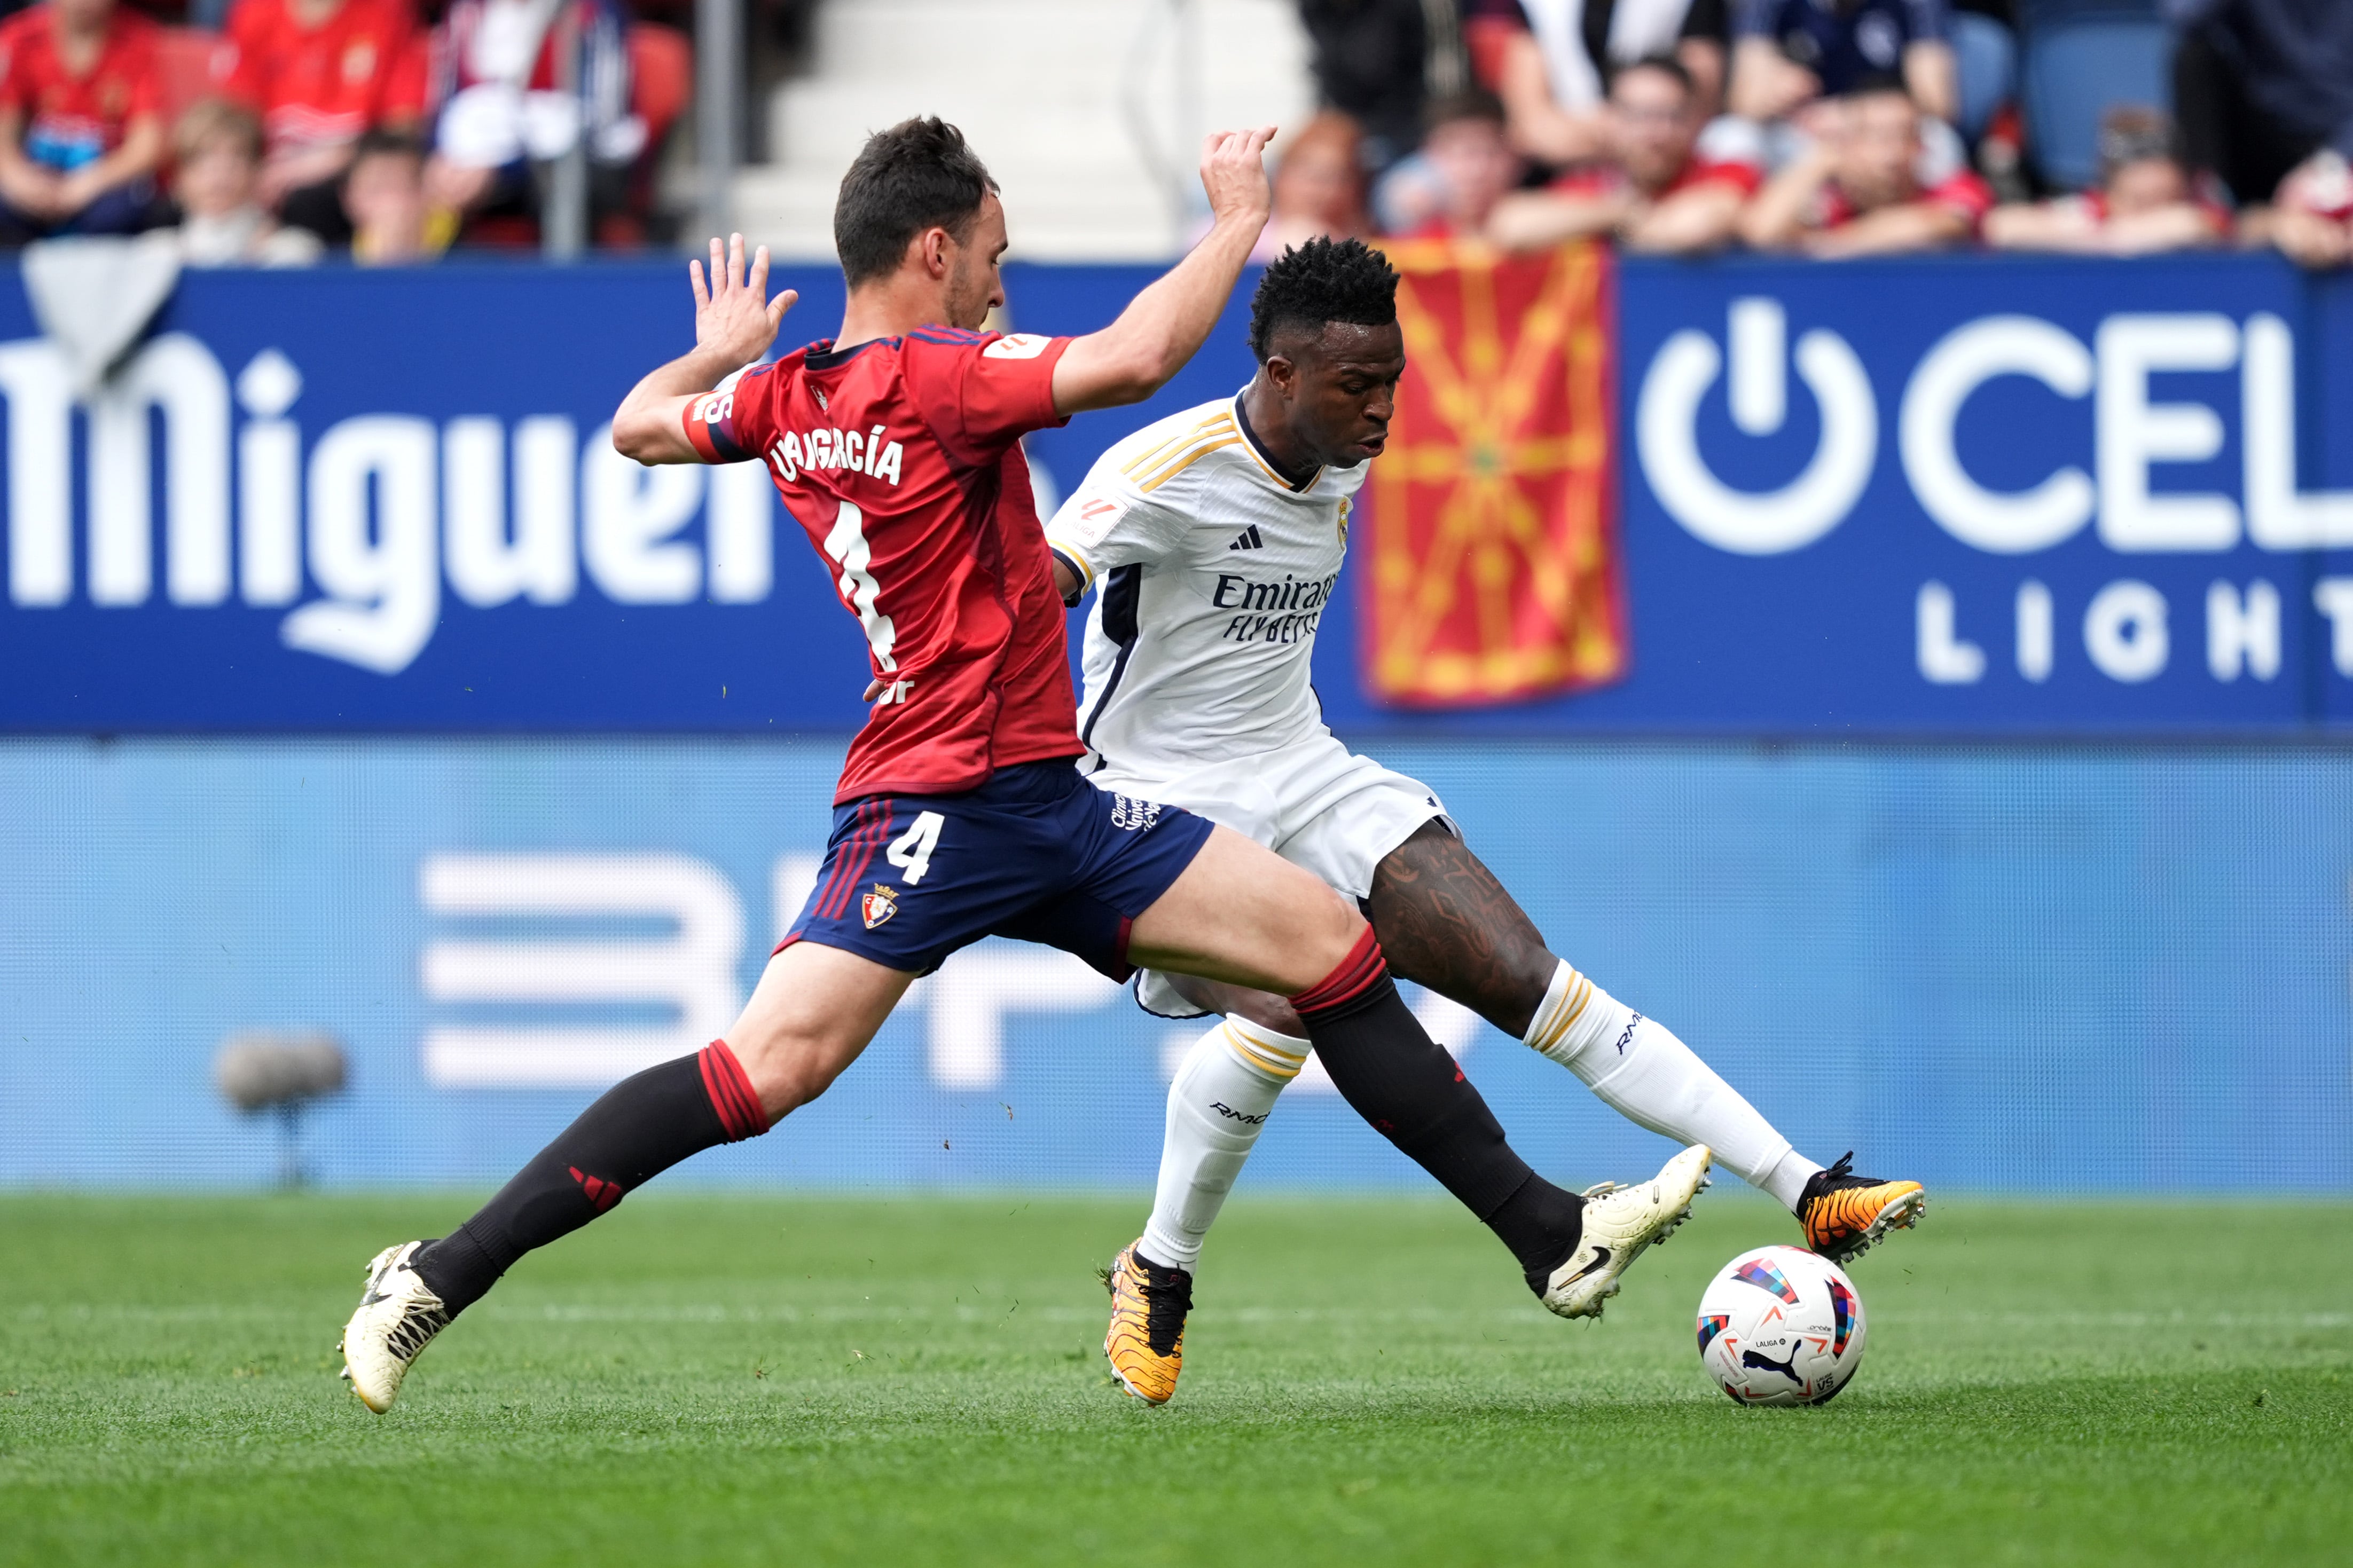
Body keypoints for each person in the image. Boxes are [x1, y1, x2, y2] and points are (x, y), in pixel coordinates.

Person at [338, 117, 1711, 1415]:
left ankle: (1549, 1232)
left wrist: (715, 354)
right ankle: (437, 1271)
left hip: (1050, 792)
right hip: (936, 802)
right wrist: (1237, 222)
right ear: (932, 249)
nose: (1002, 280)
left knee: (1326, 948)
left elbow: (638, 425)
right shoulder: (936, 379)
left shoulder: (787, 393)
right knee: (765, 1072)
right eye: (992, 251)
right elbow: (1126, 361)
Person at [1041, 235, 1927, 1406]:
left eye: (1393, 382)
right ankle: (1160, 1268)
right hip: (1158, 801)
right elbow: (1037, 578)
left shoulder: (1340, 454)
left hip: (1305, 770)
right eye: (1355, 386)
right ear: (1277, 371)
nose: (1382, 411)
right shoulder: (1163, 467)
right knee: (1291, 1004)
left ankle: (1809, 1185)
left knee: (1522, 973)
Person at [1487, 53, 1756, 253]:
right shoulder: (1597, 183)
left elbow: (1696, 226)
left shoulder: (1724, 171)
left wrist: (1605, 223)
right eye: (1639, 116)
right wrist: (1620, 214)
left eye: (1671, 116)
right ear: (1610, 119)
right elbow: (1510, 226)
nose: (1656, 133)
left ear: (1696, 120)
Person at [222, 0, 427, 243]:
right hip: (270, 172)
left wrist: (333, 161)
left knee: (311, 203)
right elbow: (235, 121)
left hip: (354, 172)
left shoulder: (389, 13)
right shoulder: (254, 13)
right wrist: (252, 173)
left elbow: (402, 126)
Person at [1740, 74, 1989, 256]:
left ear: (1921, 145)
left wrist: (1827, 244)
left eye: (1905, 136)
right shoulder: (1826, 205)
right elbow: (1761, 233)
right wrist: (1821, 160)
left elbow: (1931, 226)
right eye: (1878, 137)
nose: (1893, 152)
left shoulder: (1954, 187)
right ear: (1847, 143)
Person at [1464, 0, 1729, 170]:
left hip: (1671, 175)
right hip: (1564, 173)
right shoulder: (1538, 6)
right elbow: (1530, 125)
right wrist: (1628, 131)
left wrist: (1641, 137)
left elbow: (1697, 108)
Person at [2172, 0, 2353, 218]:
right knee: (2195, 56)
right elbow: (2185, 17)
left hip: (2340, 144)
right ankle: (2210, 202)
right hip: (2266, 136)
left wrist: (2331, 162)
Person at [0, 0, 162, 242]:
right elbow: (5, 131)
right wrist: (19, 179)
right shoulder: (19, 38)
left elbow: (148, 144)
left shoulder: (141, 41)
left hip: (104, 181)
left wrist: (89, 183)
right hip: (34, 175)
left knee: (116, 215)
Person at [1983, 107, 2224, 258]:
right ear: (2112, 182)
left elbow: (2195, 225)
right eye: (2139, 201)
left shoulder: (2198, 207)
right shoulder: (2088, 211)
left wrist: (2109, 239)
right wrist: (2102, 237)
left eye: (2164, 199)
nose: (2153, 206)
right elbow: (2002, 225)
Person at [1729, 0, 1955, 128]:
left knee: (1940, 139)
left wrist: (1850, 114)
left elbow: (1937, 104)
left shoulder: (1915, 5)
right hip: (1802, 130)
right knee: (1734, 135)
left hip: (1882, 129)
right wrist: (1776, 93)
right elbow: (1745, 102)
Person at [167, 97, 323, 264]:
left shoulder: (291, 253)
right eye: (202, 159)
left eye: (235, 159)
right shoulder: (160, 255)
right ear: (180, 176)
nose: (219, 174)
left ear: (258, 169)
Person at [1384, 89, 1521, 238]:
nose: (1476, 171)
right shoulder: (1411, 248)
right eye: (1463, 154)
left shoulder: (1546, 214)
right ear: (1431, 156)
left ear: (1515, 156)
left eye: (1490, 152)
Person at [1245, 111, 1370, 263]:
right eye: (1307, 175)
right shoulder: (1235, 235)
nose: (1316, 192)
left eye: (1333, 178)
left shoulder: (1375, 247)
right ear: (1279, 177)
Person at [339, 126, 438, 262]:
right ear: (348, 196)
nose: (390, 201)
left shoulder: (466, 248)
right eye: (375, 189)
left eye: (402, 187)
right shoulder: (322, 256)